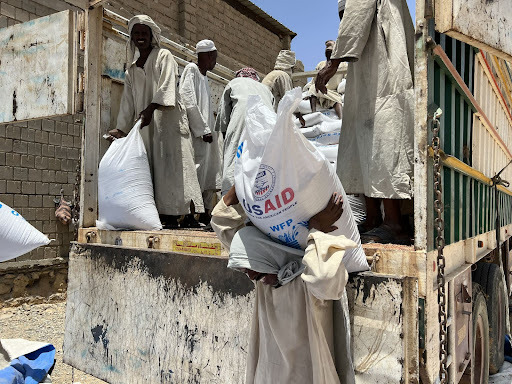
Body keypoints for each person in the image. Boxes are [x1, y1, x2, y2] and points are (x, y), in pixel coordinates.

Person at [211, 186, 356, 384]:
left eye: (255, 271)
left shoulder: (305, 279)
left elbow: (324, 278)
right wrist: (242, 183)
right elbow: (228, 230)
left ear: (269, 255)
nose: (252, 276)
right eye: (247, 272)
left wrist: (316, 231)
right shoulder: (265, 279)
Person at [315, 0, 415, 244]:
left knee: (383, 140)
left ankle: (393, 222)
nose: (341, 23)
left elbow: (358, 11)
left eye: (343, 17)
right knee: (365, 141)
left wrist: (333, 63)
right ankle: (373, 218)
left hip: (384, 69)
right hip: (374, 66)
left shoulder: (372, 22)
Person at [108, 15, 204, 229]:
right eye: (137, 33)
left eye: (144, 33)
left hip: (168, 121)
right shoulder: (131, 70)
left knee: (176, 167)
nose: (140, 37)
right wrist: (121, 128)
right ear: (131, 37)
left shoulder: (163, 56)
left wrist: (151, 108)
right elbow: (128, 102)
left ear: (151, 36)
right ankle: (164, 214)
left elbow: (167, 86)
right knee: (155, 169)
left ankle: (187, 215)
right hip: (147, 124)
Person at [179, 40, 223, 226]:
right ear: (205, 56)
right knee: (194, 173)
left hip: (206, 136)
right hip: (196, 134)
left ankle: (204, 213)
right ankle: (189, 216)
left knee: (208, 173)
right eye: (213, 57)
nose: (214, 61)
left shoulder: (205, 77)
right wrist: (202, 129)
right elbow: (187, 99)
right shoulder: (191, 70)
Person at [215, 68, 274, 195]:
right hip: (266, 129)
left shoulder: (234, 83)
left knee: (233, 162)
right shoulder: (266, 90)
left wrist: (229, 142)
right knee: (260, 165)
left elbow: (223, 120)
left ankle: (229, 199)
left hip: (241, 123)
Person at [305, 40, 346, 119]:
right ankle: (313, 113)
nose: (328, 49)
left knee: (337, 100)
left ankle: (341, 120)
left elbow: (346, 79)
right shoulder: (321, 64)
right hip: (319, 90)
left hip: (332, 92)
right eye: (327, 47)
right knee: (313, 87)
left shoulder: (342, 64)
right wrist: (308, 93)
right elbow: (314, 80)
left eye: (330, 47)